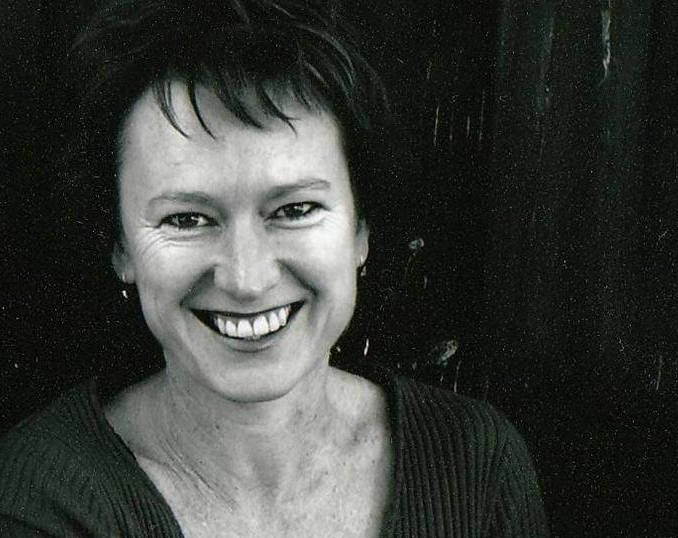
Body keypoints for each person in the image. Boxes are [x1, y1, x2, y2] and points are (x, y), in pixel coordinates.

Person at [0, 0, 550, 536]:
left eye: (295, 210)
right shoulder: (42, 501)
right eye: (187, 219)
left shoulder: (477, 467)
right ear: (120, 246)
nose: (247, 279)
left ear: (361, 229)